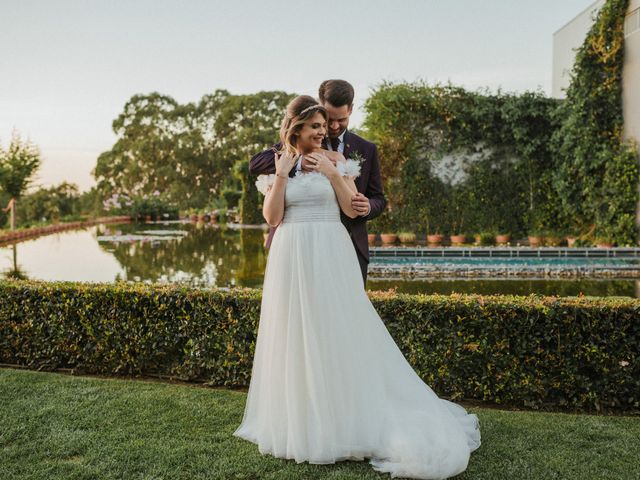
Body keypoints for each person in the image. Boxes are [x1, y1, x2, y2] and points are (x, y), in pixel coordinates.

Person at [233, 95, 481, 479]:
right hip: (291, 254)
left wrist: (334, 174)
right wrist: (282, 174)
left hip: (330, 251)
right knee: (296, 332)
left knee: (338, 331)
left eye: (323, 125)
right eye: (315, 126)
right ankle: (300, 418)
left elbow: (352, 209)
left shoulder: (337, 160)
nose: (323, 131)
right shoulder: (276, 164)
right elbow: (273, 216)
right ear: (296, 129)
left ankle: (346, 415)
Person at [249, 79, 386, 284]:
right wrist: (300, 161)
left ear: (350, 109)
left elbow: (379, 199)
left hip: (347, 244)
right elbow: (256, 163)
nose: (331, 127)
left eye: (341, 120)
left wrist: (367, 207)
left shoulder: (366, 149)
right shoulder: (295, 144)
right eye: (327, 120)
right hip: (294, 245)